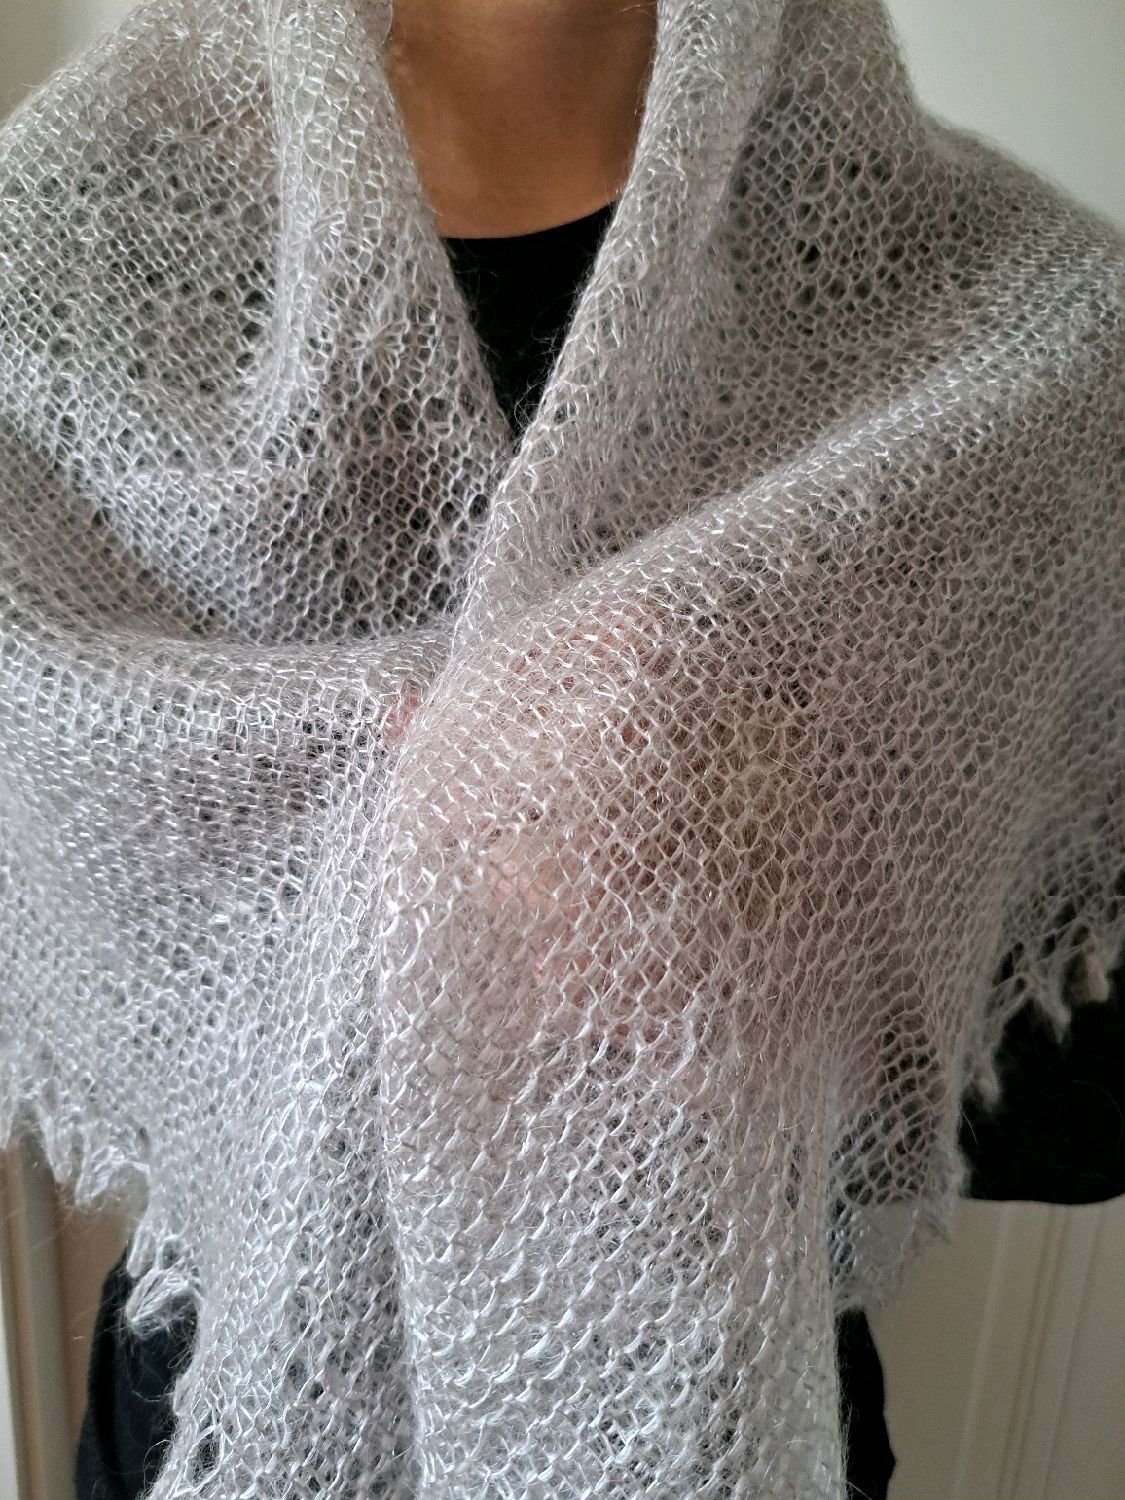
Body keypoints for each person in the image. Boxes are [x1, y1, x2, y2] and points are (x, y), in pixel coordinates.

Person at [62, 4, 1124, 1498]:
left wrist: (807, 916)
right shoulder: (65, 279)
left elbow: (1093, 1095)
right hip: (228, 1414)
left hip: (723, 1419)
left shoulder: (1024, 345)